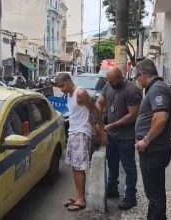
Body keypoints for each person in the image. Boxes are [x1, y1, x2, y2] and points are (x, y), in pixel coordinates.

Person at [96, 67, 142, 210]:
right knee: (112, 164)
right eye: (108, 81)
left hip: (126, 136)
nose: (109, 84)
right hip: (112, 136)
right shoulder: (108, 85)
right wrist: (97, 116)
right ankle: (112, 189)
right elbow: (101, 101)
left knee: (129, 167)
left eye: (112, 81)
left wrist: (112, 125)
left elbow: (133, 115)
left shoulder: (132, 90)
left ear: (121, 78)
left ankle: (130, 197)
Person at [55, 73, 102, 212]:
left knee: (79, 167)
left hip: (81, 132)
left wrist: (98, 129)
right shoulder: (69, 95)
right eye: (59, 87)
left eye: (63, 86)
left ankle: (81, 199)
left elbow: (93, 110)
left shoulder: (80, 93)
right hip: (73, 132)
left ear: (69, 81)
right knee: (75, 167)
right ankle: (77, 196)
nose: (62, 89)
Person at [134, 59, 171, 220]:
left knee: (155, 194)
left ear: (143, 74)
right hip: (153, 149)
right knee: (154, 192)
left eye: (137, 76)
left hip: (154, 150)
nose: (136, 79)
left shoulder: (157, 89)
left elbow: (161, 118)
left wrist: (146, 140)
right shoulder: (154, 88)